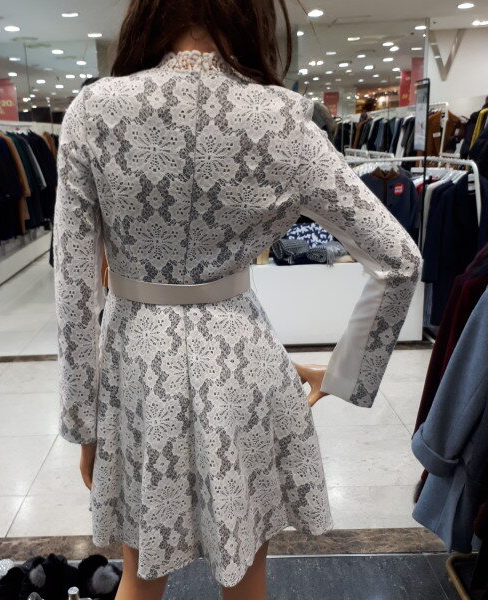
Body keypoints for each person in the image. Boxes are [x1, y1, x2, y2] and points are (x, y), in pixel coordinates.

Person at [52, 1, 423, 599]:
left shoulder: (93, 111)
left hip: (137, 363)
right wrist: (343, 373)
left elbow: (73, 291)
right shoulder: (283, 118)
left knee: (140, 580)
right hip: (240, 361)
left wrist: (83, 424)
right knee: (247, 576)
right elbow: (400, 260)